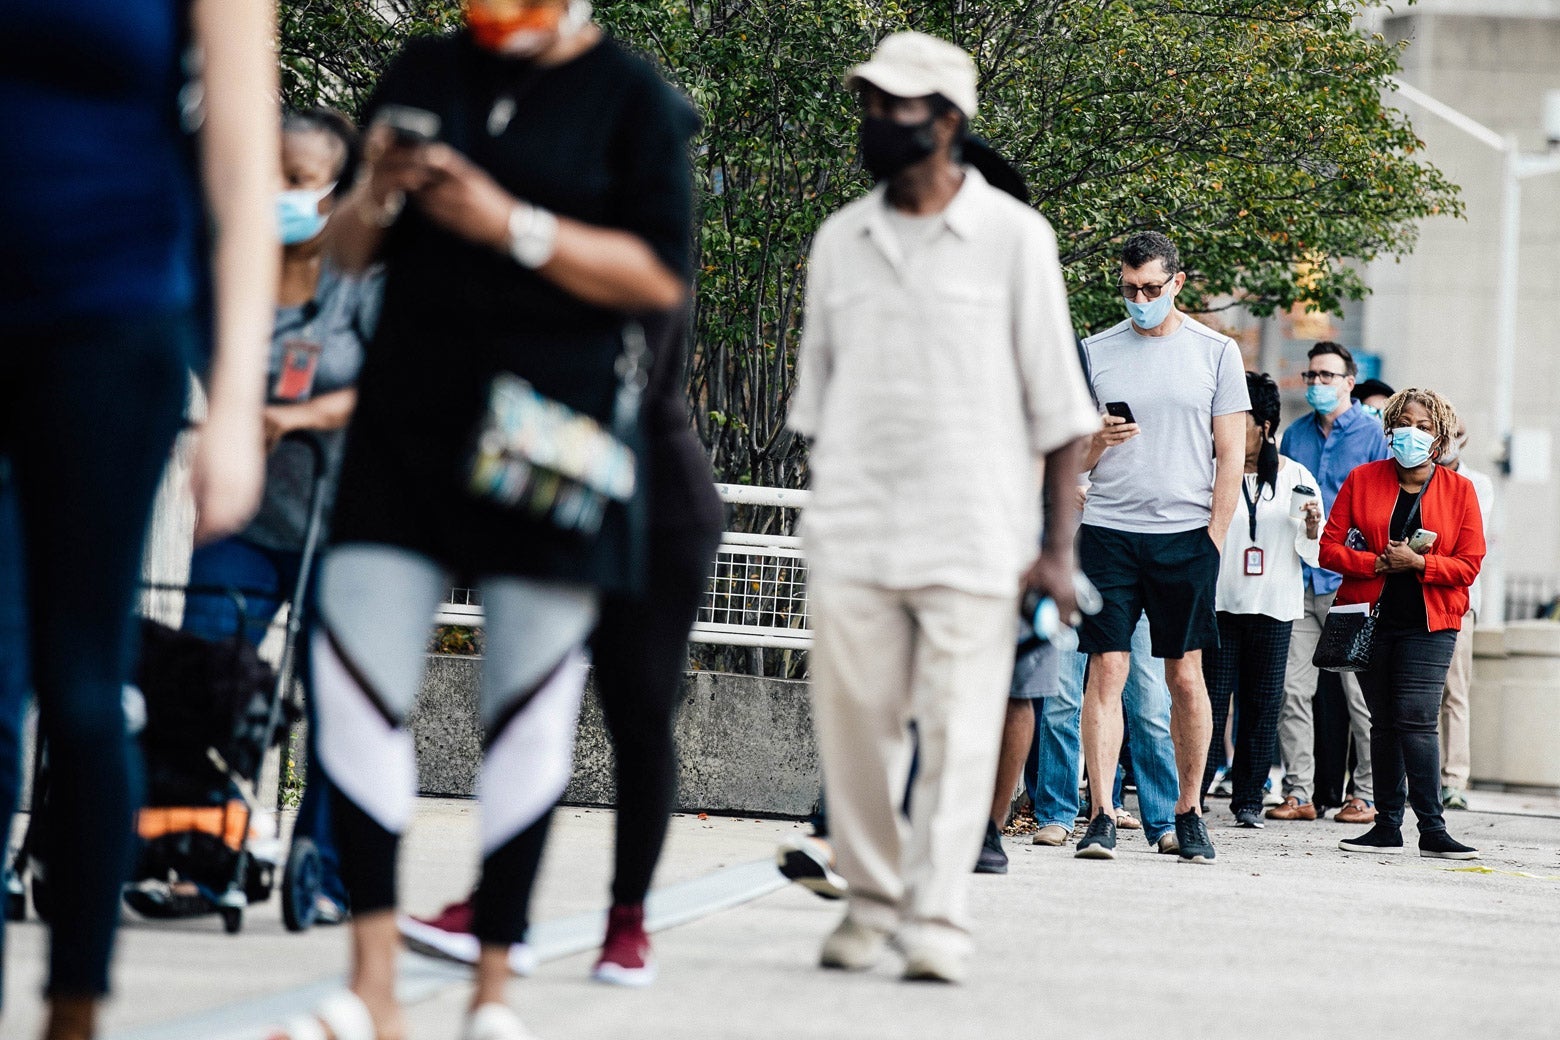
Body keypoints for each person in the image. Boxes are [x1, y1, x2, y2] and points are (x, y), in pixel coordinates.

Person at [273, 2, 700, 1037]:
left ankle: (493, 986)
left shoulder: (632, 98)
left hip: (549, 429)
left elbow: (657, 275)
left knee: (528, 703)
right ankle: (370, 988)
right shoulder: (424, 68)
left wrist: (512, 223)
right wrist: (376, 186)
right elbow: (345, 253)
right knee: (357, 682)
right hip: (404, 422)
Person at [788, 31, 1097, 983]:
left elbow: (1060, 415)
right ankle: (872, 903)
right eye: (869, 105)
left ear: (948, 121)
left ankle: (936, 917)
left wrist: (1056, 552)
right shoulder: (842, 239)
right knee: (857, 734)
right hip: (854, 532)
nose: (877, 123)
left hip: (975, 536)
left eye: (898, 108)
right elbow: (816, 406)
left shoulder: (1015, 239)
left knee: (961, 731)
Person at [0, 1, 276, 1034]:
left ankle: (75, 1007)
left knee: (80, 688)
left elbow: (244, 172)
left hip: (108, 331)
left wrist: (238, 404)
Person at [395, 307, 723, 988]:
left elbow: (633, 365)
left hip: (656, 505)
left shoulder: (635, 240)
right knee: (530, 702)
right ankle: (498, 910)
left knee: (638, 715)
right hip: (553, 488)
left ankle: (627, 925)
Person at [138, 109, 380, 926]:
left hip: (344, 523)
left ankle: (327, 869)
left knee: (339, 700)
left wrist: (295, 419)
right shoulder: (227, 273)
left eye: (300, 180)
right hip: (245, 518)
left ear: (335, 195)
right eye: (269, 172)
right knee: (201, 671)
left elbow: (396, 384)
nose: (278, 192)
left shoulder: (366, 281)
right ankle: (201, 858)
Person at [1073, 231, 1250, 865]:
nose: (1140, 299)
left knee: (1184, 676)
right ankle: (1099, 815)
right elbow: (1073, 454)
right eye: (1129, 289)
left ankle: (1190, 811)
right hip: (1110, 532)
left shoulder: (1216, 352)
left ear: (1177, 282)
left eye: (1151, 288)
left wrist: (1215, 538)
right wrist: (1096, 441)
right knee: (1108, 670)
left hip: (1185, 536)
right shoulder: (1095, 352)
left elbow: (1231, 454)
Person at [1321, 388, 1485, 860]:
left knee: (1415, 717)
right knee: (1384, 722)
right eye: (1403, 423)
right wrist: (1374, 564)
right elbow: (1328, 548)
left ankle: (1432, 828)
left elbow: (1469, 565)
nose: (1410, 433)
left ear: (1439, 439)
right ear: (1389, 428)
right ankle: (1386, 824)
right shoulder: (1362, 479)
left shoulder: (1461, 491)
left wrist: (1419, 563)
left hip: (1430, 623)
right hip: (1370, 619)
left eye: (1423, 426)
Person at [1271, 342, 1390, 825]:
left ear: (1348, 382)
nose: (1316, 383)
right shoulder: (1294, 436)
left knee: (1358, 694)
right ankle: (1299, 792)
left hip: (1351, 582)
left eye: (1327, 376)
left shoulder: (1374, 436)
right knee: (1291, 690)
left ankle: (1365, 794)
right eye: (1311, 375)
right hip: (1299, 577)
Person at [1201, 373, 1322, 827]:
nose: (1229, 428)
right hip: (1219, 602)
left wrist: (1312, 527)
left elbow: (1311, 549)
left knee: (1263, 702)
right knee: (1211, 701)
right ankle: (1195, 789)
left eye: (1242, 419)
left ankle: (1249, 798)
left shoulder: (1296, 475)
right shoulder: (1211, 469)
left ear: (1266, 426)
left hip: (1273, 605)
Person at [1435, 424, 1493, 810]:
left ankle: (1454, 780)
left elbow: (1466, 541)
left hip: (1458, 600)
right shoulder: (1418, 479)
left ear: (1464, 438)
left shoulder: (1478, 484)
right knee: (1415, 696)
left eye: (1451, 431)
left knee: (1455, 692)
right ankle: (1413, 778)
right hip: (1417, 596)